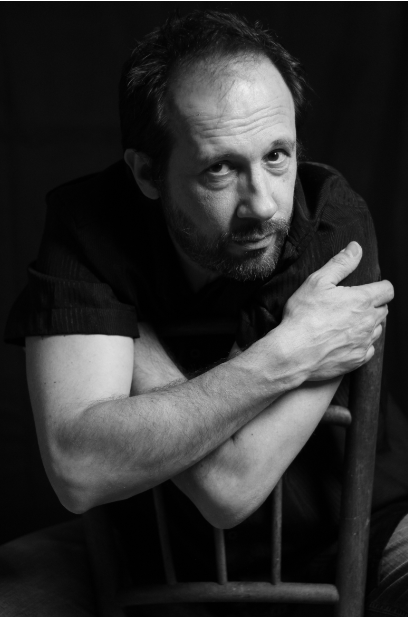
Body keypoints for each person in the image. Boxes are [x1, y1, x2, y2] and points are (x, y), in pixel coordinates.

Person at [2, 9, 406, 617]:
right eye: (220, 168)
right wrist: (289, 352)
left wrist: (132, 342)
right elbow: (78, 471)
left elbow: (230, 486)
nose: (263, 205)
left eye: (277, 155)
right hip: (147, 549)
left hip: (357, 531)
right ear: (147, 173)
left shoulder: (330, 223)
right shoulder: (89, 225)